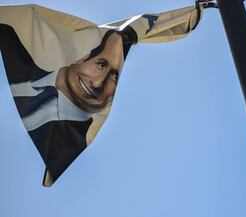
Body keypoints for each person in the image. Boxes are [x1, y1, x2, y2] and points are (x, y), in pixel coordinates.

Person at [0, 3, 205, 186]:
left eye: (114, 78)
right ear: (82, 58)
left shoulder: (74, 137)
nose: (98, 83)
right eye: (101, 64)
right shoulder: (14, 37)